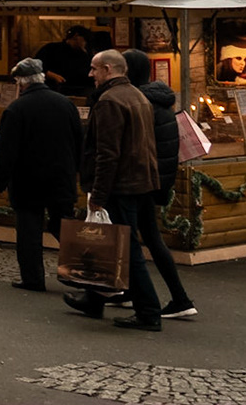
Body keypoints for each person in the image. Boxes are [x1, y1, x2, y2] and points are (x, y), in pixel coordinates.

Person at [63, 49, 162, 331]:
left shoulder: (109, 101)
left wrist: (98, 195)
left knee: (126, 249)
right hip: (141, 181)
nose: (90, 74)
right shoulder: (136, 95)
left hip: (121, 185)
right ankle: (94, 299)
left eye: (94, 69)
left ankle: (148, 311)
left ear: (108, 69)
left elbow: (107, 154)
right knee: (115, 244)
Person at [0, 58, 81, 292]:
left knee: (29, 232)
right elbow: (79, 141)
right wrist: (79, 171)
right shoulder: (66, 104)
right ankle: (84, 272)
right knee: (65, 228)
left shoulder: (16, 109)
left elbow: (6, 151)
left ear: (21, 82)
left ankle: (33, 278)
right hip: (61, 178)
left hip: (27, 181)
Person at [117, 50, 195, 320]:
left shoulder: (141, 103)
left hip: (140, 181)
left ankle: (176, 298)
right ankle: (137, 292)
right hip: (155, 181)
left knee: (139, 239)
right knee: (146, 237)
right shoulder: (162, 102)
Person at [38, 27, 94, 95]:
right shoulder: (51, 48)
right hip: (54, 90)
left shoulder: (84, 54)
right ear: (76, 36)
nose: (85, 43)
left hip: (81, 90)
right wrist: (51, 75)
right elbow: (36, 68)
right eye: (85, 40)